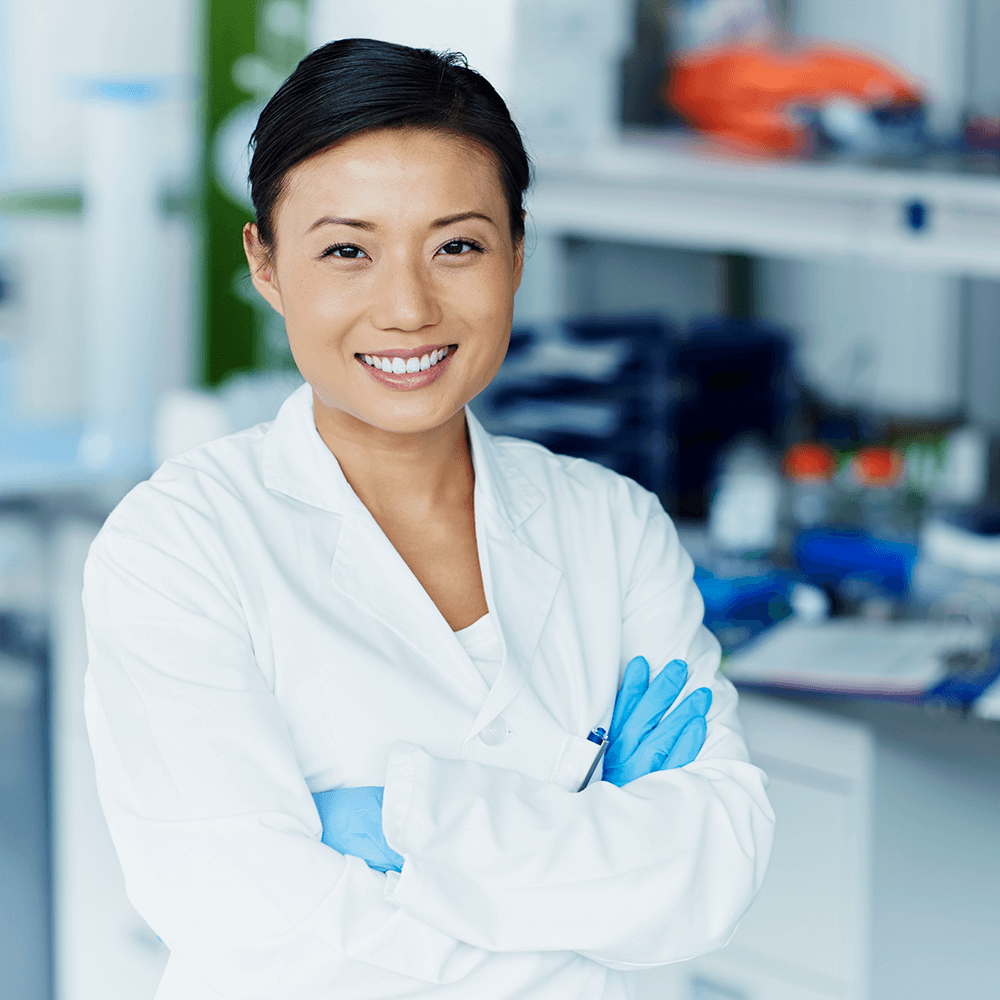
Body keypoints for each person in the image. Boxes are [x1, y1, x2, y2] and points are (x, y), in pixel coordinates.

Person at [83, 37, 775, 1000]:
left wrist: (405, 819)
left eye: (457, 245)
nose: (407, 306)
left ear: (517, 256)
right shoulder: (179, 545)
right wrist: (581, 872)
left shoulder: (612, 527)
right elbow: (249, 923)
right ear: (267, 264)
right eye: (346, 251)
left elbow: (713, 870)